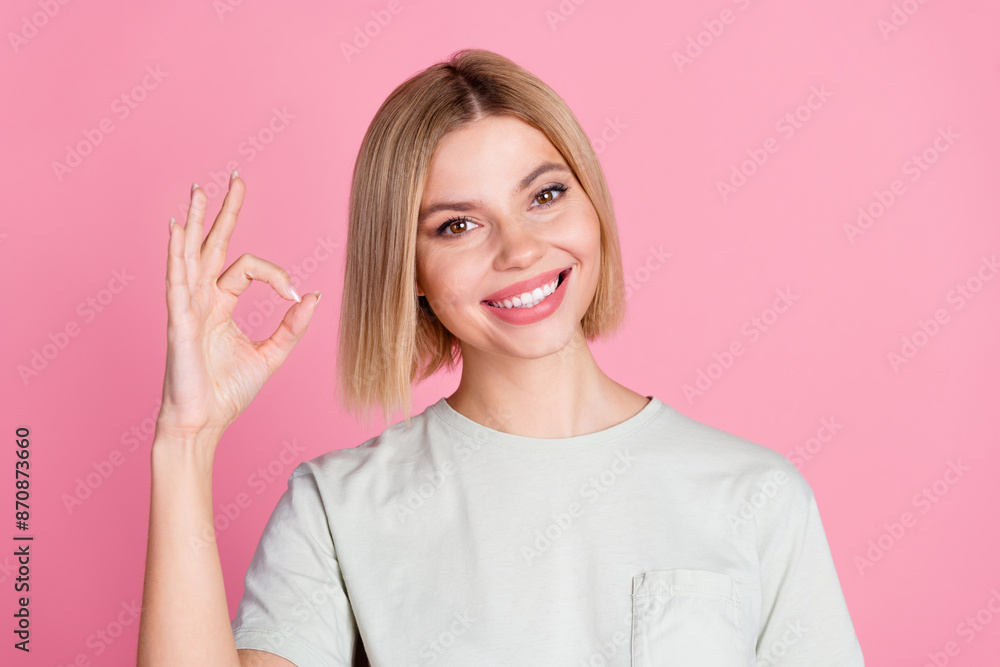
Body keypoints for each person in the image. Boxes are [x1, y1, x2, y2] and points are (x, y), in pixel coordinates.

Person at [137, 49, 864, 666]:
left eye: (545, 195)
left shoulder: (758, 496)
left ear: (593, 205)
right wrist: (186, 441)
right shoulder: (337, 510)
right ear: (408, 272)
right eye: (458, 225)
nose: (519, 250)